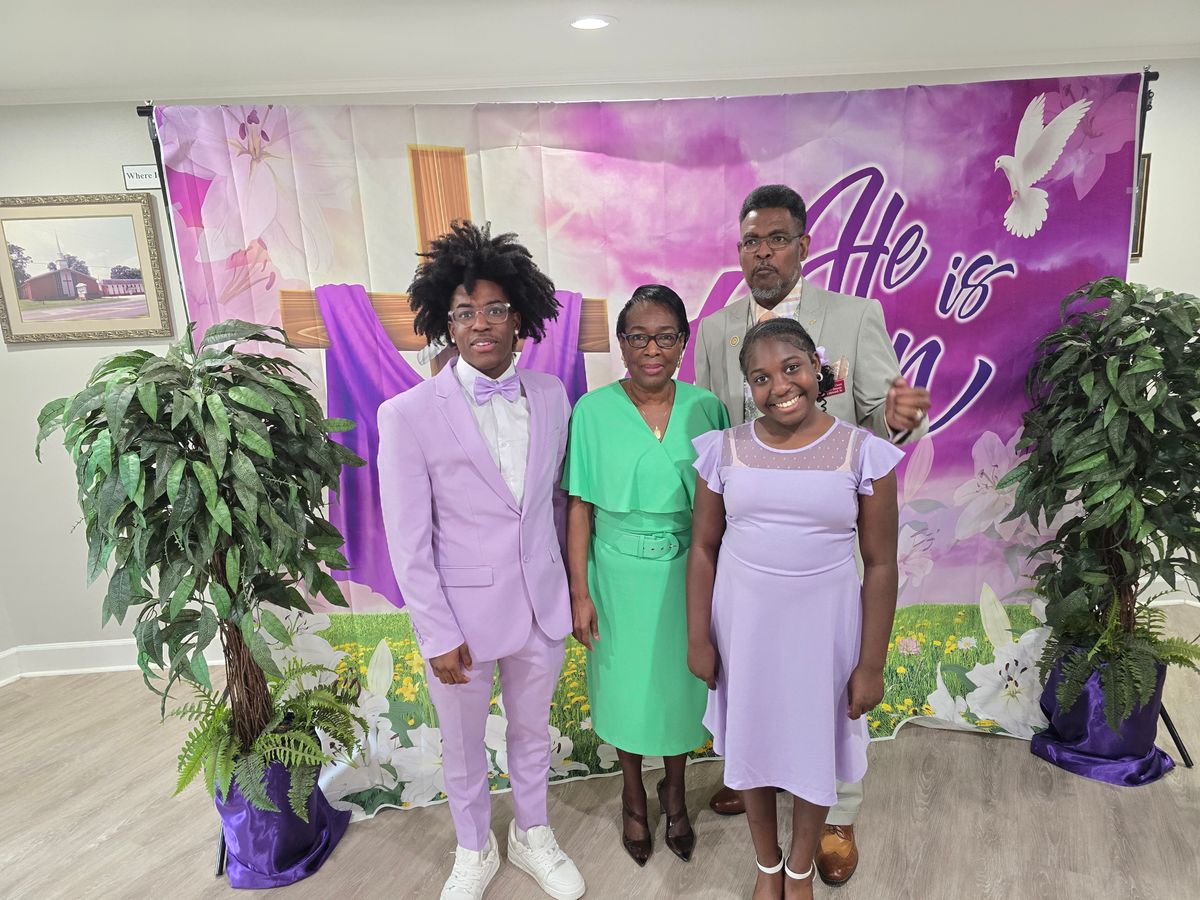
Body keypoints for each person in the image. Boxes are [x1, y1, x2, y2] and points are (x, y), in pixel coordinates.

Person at [692, 183, 929, 885]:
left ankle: (835, 816)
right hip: (749, 552)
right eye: (750, 242)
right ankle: (756, 778)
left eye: (776, 239)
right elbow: (713, 428)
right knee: (759, 687)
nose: (762, 252)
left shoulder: (855, 316)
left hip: (824, 537)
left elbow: (884, 418)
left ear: (803, 244)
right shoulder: (715, 330)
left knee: (828, 689)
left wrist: (903, 416)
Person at [377, 221, 585, 900]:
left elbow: (557, 503)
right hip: (460, 622)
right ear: (447, 322)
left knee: (532, 733)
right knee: (464, 745)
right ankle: (473, 846)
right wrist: (435, 632)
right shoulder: (407, 414)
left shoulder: (552, 396)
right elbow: (408, 540)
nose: (481, 323)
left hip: (541, 607)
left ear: (518, 316)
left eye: (495, 308)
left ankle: (532, 832)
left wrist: (570, 589)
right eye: (465, 312)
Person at [687, 318, 901, 900]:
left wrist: (871, 664)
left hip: (823, 631)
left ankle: (800, 868)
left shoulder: (862, 453)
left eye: (791, 368)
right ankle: (767, 864)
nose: (779, 386)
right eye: (761, 378)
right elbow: (703, 548)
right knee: (752, 746)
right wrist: (698, 637)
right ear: (748, 388)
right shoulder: (724, 449)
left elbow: (881, 564)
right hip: (745, 629)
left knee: (813, 748)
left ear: (817, 368)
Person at [563, 285, 729, 867]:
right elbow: (579, 506)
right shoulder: (592, 411)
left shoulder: (707, 409)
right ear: (621, 343)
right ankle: (633, 795)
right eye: (638, 337)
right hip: (615, 577)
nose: (651, 349)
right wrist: (580, 593)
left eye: (665, 337)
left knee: (680, 690)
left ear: (683, 342)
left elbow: (724, 507)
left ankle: (675, 792)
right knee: (626, 691)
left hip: (690, 574)